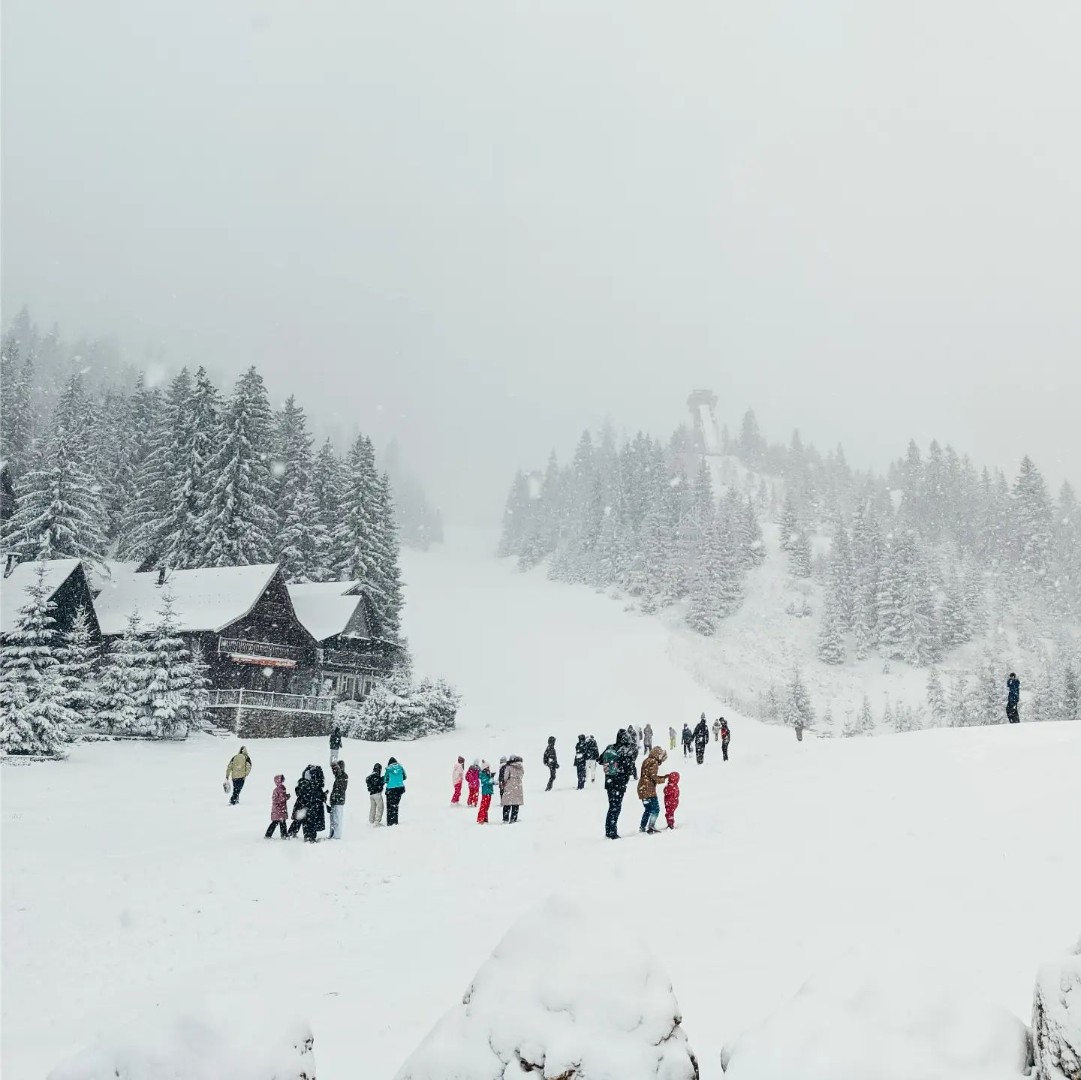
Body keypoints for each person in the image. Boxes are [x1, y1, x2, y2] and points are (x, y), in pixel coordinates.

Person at [600, 729, 638, 840]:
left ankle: (609, 830)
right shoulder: (627, 750)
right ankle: (612, 832)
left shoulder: (610, 747)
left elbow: (600, 760)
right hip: (619, 783)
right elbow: (630, 766)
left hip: (609, 782)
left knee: (612, 806)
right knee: (616, 807)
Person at [637, 745, 669, 834]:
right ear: (658, 755)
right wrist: (663, 779)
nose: (661, 760)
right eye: (661, 757)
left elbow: (648, 774)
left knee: (648, 809)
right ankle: (651, 826)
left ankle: (642, 826)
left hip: (642, 787)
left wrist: (663, 777)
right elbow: (653, 776)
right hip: (648, 788)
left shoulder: (646, 760)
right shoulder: (654, 762)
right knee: (655, 809)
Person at [301, 765, 327, 843]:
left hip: (308, 804)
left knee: (308, 821)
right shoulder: (317, 783)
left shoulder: (305, 783)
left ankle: (308, 836)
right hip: (314, 804)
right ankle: (311, 837)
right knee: (313, 820)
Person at [265, 774, 290, 838]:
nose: (282, 781)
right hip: (278, 809)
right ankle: (283, 835)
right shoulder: (278, 789)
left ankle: (270, 835)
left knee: (279, 822)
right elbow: (276, 799)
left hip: (280, 809)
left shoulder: (281, 788)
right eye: (281, 780)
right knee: (279, 822)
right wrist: (286, 797)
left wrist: (285, 797)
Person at [328, 760, 348, 839]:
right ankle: (332, 834)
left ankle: (337, 835)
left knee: (337, 819)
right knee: (333, 819)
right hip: (335, 800)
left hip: (339, 800)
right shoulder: (338, 777)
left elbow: (341, 788)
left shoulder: (343, 776)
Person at [502, 755, 524, 822]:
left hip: (509, 786)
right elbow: (522, 775)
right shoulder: (521, 767)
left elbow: (505, 777)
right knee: (516, 803)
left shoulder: (508, 767)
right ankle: (513, 818)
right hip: (518, 786)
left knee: (507, 803)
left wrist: (504, 783)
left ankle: (505, 819)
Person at [384, 756, 406, 825]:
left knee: (389, 806)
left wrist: (390, 781)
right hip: (400, 788)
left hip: (391, 789)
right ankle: (395, 821)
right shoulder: (400, 767)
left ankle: (390, 822)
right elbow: (405, 777)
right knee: (395, 805)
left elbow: (385, 779)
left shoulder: (389, 768)